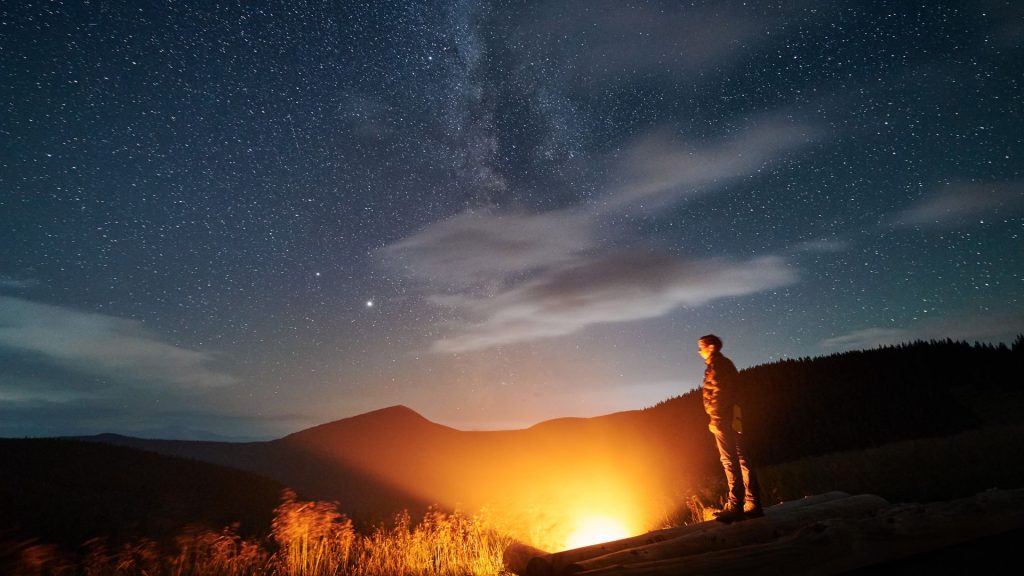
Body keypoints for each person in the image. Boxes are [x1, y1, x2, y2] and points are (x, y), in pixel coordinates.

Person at [698, 334, 762, 522]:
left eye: (701, 346)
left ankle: (736, 506)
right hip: (735, 416)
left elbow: (719, 391)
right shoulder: (723, 364)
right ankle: (752, 503)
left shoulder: (718, 365)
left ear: (710, 347)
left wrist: (716, 418)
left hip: (724, 418)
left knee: (729, 460)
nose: (698, 350)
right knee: (742, 459)